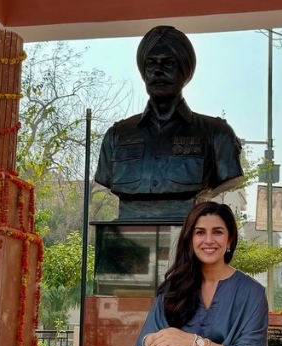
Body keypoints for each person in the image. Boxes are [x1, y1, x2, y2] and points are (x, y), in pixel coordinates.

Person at [125, 201, 278, 346]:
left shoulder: (251, 293)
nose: (208, 240)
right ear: (190, 240)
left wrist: (192, 343)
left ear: (229, 240)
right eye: (200, 232)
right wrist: (153, 344)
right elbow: (146, 341)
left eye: (217, 232)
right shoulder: (173, 289)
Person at [95, 26, 244, 221]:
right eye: (151, 64)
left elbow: (228, 177)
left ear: (185, 69)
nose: (157, 71)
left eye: (168, 64)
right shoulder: (116, 135)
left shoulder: (216, 134)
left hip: (187, 226)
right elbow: (105, 178)